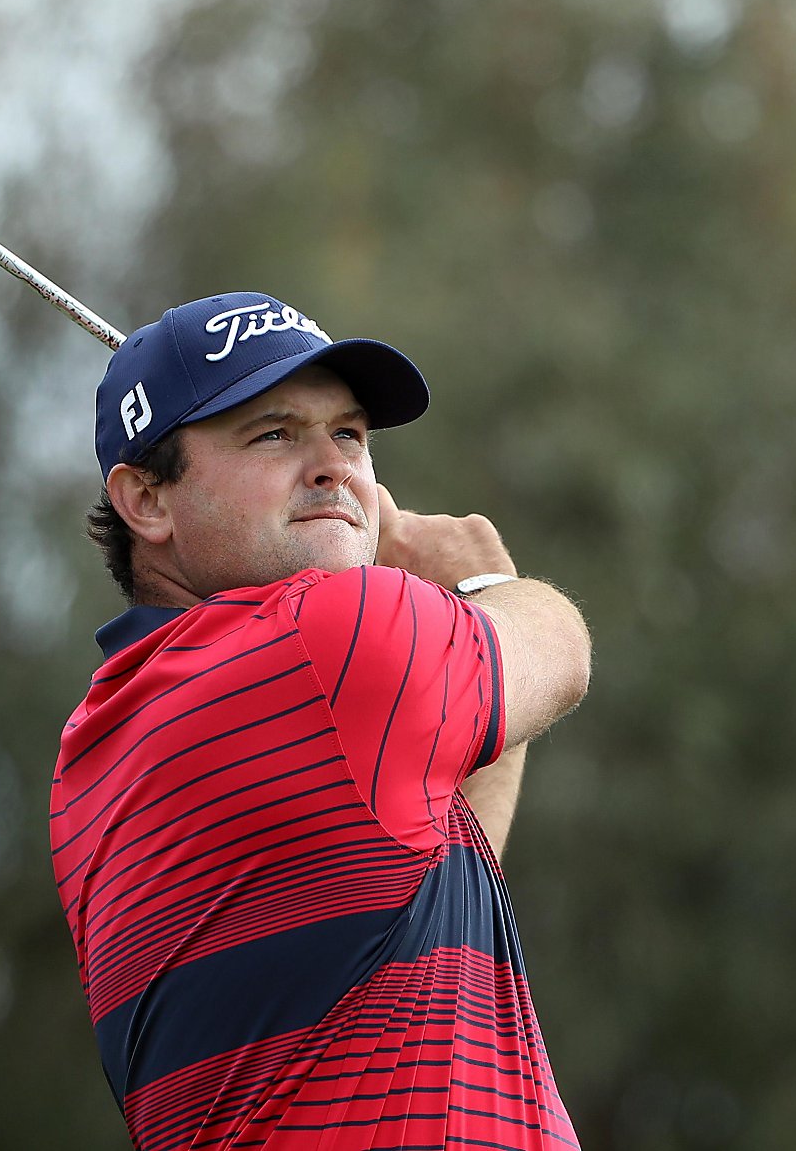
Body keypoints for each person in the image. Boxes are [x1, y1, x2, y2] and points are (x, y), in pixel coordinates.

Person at [51, 292, 591, 1150]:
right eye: (274, 433)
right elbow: (560, 652)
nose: (333, 466)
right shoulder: (322, 642)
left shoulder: (96, 743)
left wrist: (431, 621)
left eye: (349, 435)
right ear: (146, 500)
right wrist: (484, 582)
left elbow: (424, 870)